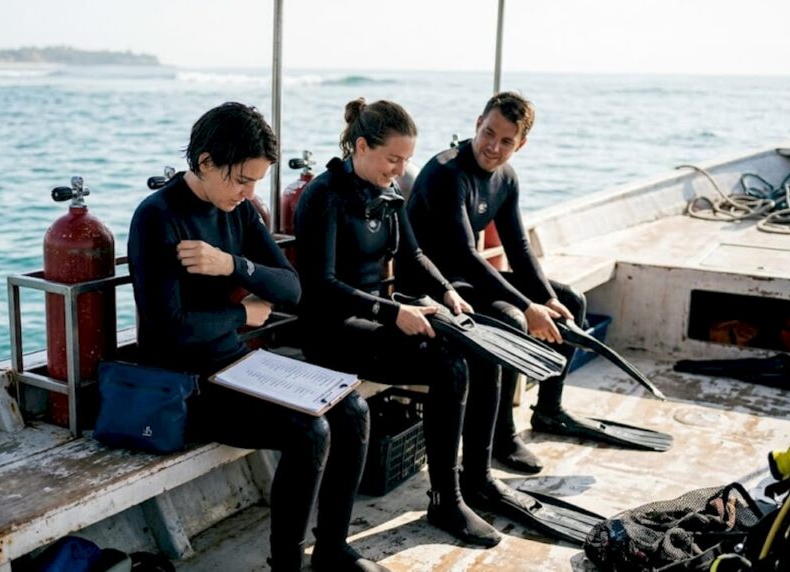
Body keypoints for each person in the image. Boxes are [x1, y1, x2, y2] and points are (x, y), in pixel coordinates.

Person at [128, 102, 381, 572]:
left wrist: (233, 265)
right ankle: (285, 566)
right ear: (205, 162)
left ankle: (331, 550)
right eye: (241, 179)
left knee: (353, 407)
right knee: (309, 430)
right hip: (185, 386)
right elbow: (170, 330)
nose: (247, 193)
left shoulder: (238, 212)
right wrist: (242, 313)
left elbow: (293, 288)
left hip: (237, 365)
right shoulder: (157, 216)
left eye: (256, 183)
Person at [296, 98, 531, 549]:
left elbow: (414, 256)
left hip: (374, 320)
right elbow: (320, 285)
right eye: (393, 159)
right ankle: (447, 500)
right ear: (361, 146)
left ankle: (472, 480)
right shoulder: (323, 196)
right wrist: (392, 313)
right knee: (449, 365)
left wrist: (447, 292)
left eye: (405, 159)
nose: (401, 168)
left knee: (482, 345)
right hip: (328, 331)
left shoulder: (388, 192)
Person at [404, 91, 587, 474]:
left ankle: (549, 411)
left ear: (522, 143)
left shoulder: (506, 178)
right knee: (513, 319)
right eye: (489, 133)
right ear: (477, 124)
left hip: (469, 281)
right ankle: (502, 437)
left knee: (573, 301)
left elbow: (518, 247)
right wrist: (526, 306)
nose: (493, 146)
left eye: (506, 141)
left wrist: (547, 299)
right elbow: (465, 256)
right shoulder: (446, 173)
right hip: (433, 286)